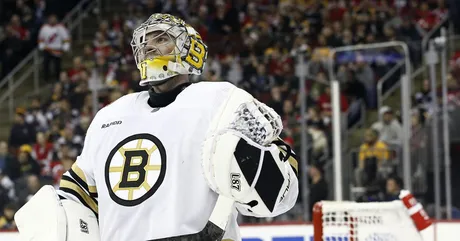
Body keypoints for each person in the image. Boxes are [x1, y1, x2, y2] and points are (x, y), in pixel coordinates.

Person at [15, 13, 299, 241]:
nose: (149, 46)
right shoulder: (108, 117)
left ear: (192, 51)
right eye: (145, 42)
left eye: (161, 39)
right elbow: (78, 192)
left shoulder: (221, 99)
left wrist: (256, 167)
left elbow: (282, 180)